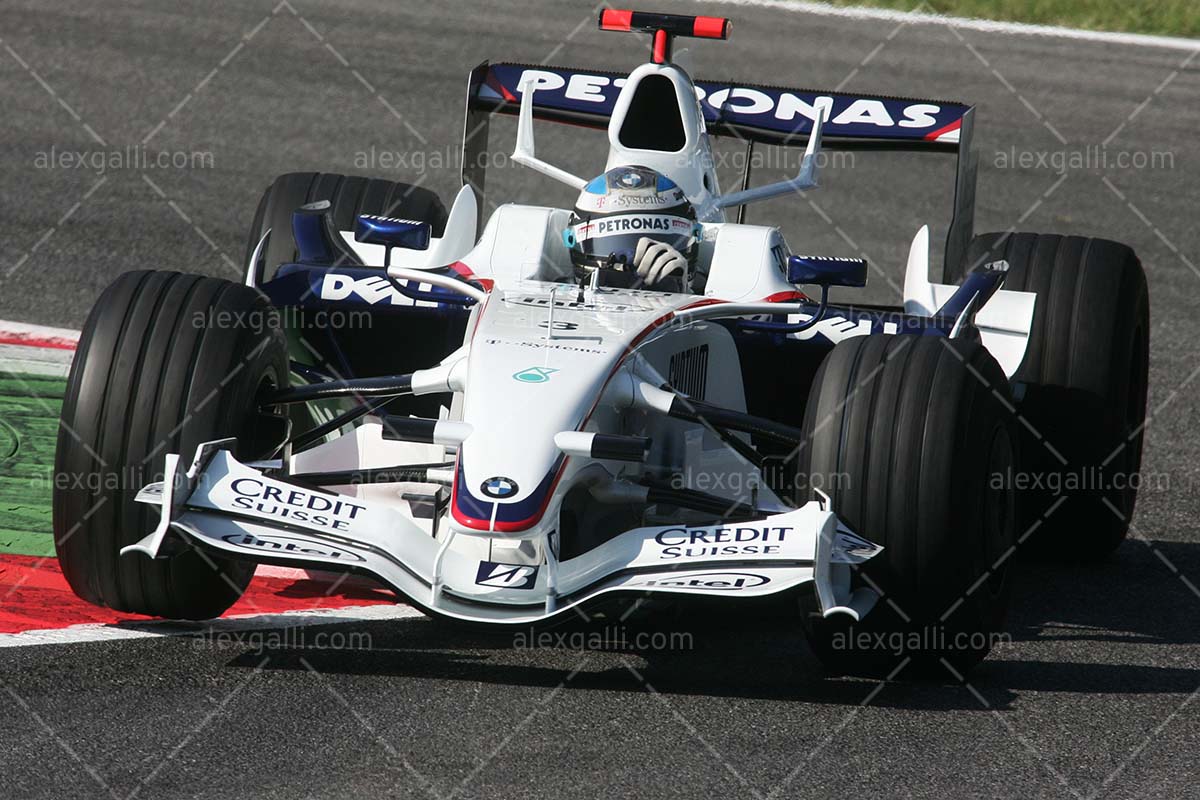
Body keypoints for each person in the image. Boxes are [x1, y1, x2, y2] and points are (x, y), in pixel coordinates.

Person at [563, 165, 699, 292]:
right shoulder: (551, 293)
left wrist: (684, 294)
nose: (630, 270)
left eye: (655, 252)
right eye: (619, 255)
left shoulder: (713, 303)